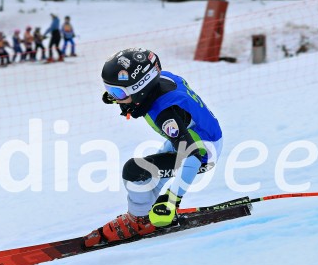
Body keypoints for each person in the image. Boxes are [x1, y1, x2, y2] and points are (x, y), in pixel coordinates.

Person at [84, 48, 222, 247]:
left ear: (140, 89)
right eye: (110, 90)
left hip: (203, 152)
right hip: (195, 136)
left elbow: (192, 156)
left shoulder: (166, 115)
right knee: (151, 175)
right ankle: (146, 212)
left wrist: (172, 199)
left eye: (117, 92)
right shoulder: (160, 81)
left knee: (135, 171)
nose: (115, 98)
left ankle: (139, 220)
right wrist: (118, 95)